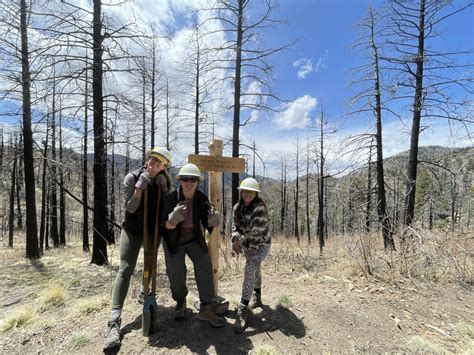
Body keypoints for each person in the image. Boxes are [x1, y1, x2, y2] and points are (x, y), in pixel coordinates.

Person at [103, 147, 172, 351]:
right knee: (125, 268)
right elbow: (131, 207)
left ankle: (145, 293)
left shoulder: (164, 181)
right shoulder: (132, 177)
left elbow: (167, 208)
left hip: (152, 231)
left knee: (150, 264)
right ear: (148, 159)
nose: (154, 164)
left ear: (164, 167)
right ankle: (114, 320)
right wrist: (140, 188)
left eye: (160, 163)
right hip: (132, 229)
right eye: (153, 160)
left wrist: (165, 190)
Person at [162, 163, 229, 327]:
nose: (189, 182)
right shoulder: (170, 199)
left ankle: (206, 308)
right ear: (180, 181)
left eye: (193, 179)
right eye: (185, 179)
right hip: (173, 240)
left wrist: (213, 221)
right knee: (176, 274)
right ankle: (180, 302)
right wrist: (172, 220)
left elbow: (208, 222)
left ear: (198, 182)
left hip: (194, 238)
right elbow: (163, 226)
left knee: (205, 265)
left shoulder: (201, 198)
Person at [231, 177, 271, 333]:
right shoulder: (237, 208)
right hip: (247, 243)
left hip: (261, 244)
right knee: (256, 270)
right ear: (241, 192)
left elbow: (257, 232)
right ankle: (258, 296)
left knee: (250, 269)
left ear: (256, 194)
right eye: (244, 191)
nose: (247, 194)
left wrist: (243, 242)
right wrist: (235, 239)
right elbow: (235, 227)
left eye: (251, 192)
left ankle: (243, 308)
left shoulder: (259, 208)